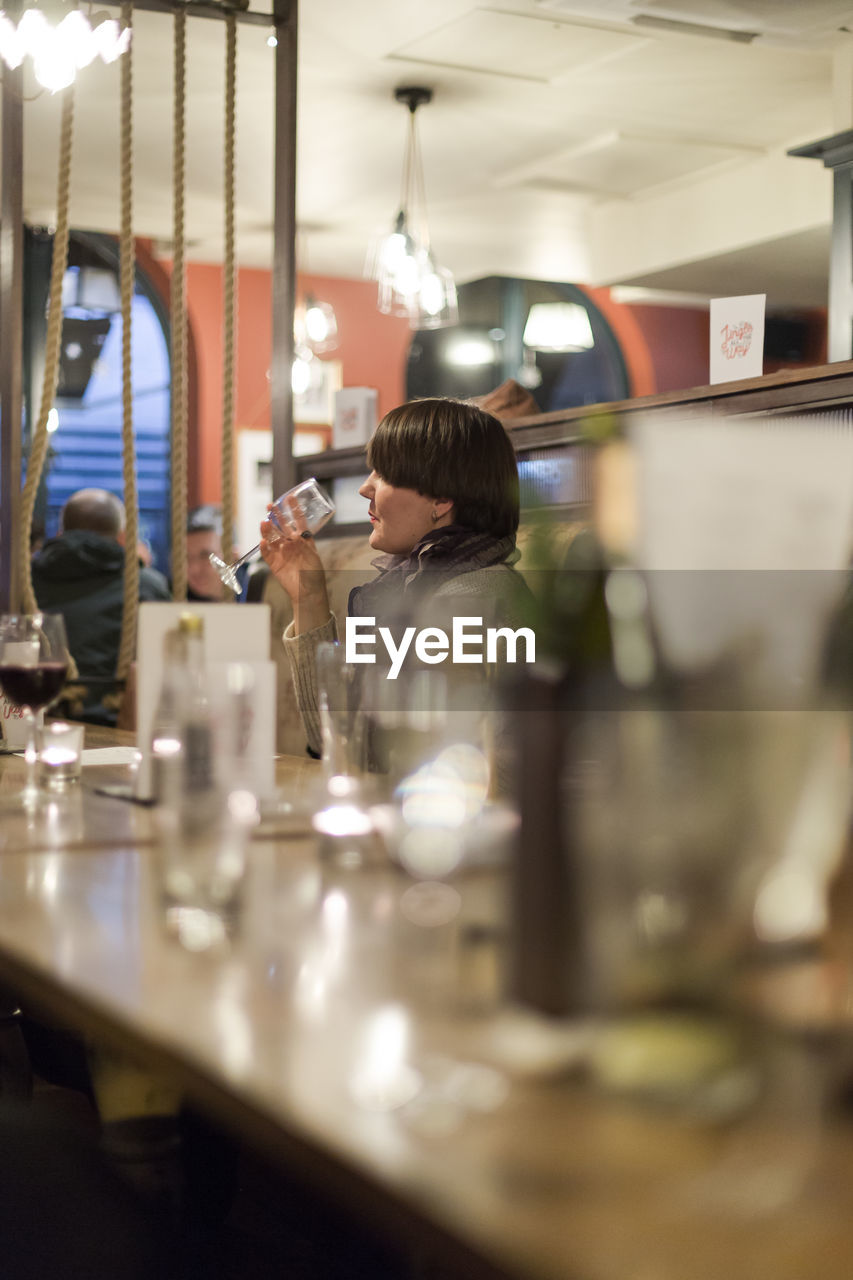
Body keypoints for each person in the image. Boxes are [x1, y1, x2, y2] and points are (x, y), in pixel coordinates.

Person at [260, 397, 530, 766]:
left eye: (384, 474)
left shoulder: (474, 599)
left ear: (442, 498)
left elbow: (401, 762)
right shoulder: (412, 584)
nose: (365, 488)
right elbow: (340, 742)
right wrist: (309, 596)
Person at [32, 488, 171, 723]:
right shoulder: (146, 586)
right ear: (123, 538)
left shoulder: (23, 583)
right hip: (120, 729)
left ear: (60, 533)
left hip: (41, 725)